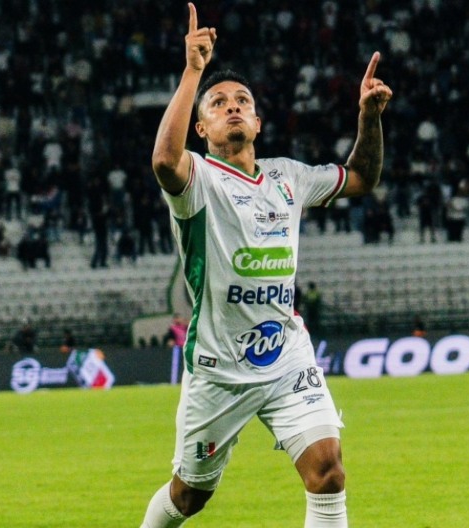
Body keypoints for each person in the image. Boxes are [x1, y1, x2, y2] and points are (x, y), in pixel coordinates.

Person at [140, 5, 392, 527]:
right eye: (218, 103)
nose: (232, 106)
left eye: (243, 101)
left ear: (257, 122)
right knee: (189, 496)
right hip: (219, 369)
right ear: (201, 127)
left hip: (286, 356)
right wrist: (193, 72)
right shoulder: (197, 181)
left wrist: (368, 118)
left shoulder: (287, 176)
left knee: (328, 472)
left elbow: (361, 178)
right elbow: (164, 160)